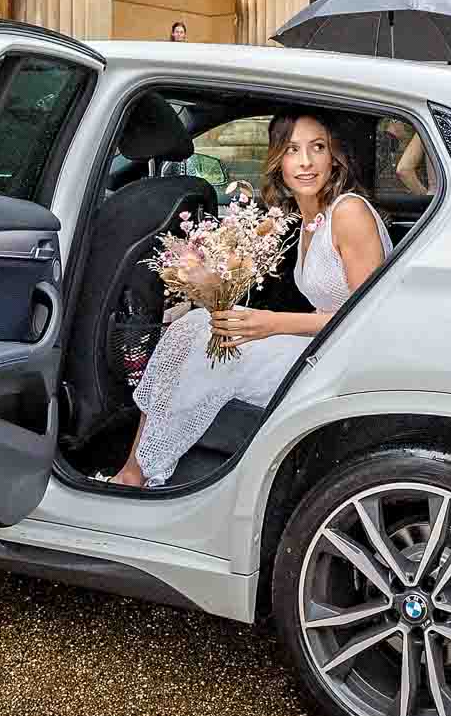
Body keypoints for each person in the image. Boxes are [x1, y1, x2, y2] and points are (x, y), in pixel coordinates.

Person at [113, 111, 390, 488]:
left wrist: (272, 324)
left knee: (201, 347)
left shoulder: (349, 213)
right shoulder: (311, 219)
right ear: (279, 159)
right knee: (191, 328)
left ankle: (143, 471)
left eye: (317, 148)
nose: (306, 162)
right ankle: (138, 466)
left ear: (334, 157)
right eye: (293, 150)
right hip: (323, 343)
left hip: (348, 359)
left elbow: (367, 319)